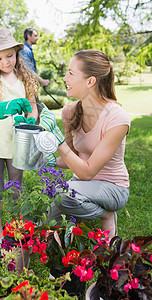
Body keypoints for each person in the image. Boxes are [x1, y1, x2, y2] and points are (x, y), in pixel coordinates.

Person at [38, 49, 131, 240]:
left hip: (113, 188)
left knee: (61, 194)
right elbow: (72, 157)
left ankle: (105, 214)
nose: (65, 78)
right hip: (82, 185)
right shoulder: (69, 112)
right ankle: (21, 261)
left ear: (90, 81)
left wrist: (57, 141)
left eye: (71, 73)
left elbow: (86, 171)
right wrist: (46, 160)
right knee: (42, 217)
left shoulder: (117, 118)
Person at [0, 27, 39, 242]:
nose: (5, 62)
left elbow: (32, 104)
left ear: (17, 52)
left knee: (16, 188)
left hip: (17, 144)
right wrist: (8, 106)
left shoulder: (24, 76)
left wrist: (32, 118)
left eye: (10, 56)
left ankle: (17, 230)